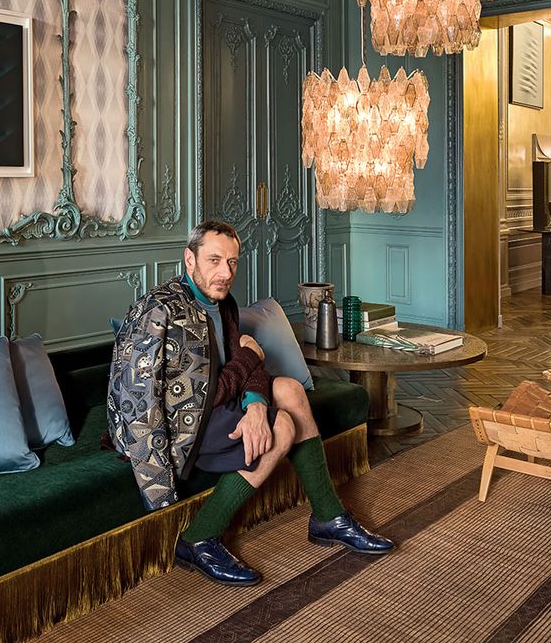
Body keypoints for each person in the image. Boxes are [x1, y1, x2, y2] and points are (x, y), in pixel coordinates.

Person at [107, 220, 393, 587]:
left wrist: (256, 403)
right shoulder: (158, 311)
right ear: (189, 260)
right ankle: (199, 538)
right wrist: (158, 486)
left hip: (213, 410)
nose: (225, 273)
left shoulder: (222, 304)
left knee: (289, 389)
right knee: (283, 426)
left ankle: (328, 517)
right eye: (213, 260)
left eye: (232, 262)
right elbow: (141, 401)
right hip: (180, 428)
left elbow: (247, 362)